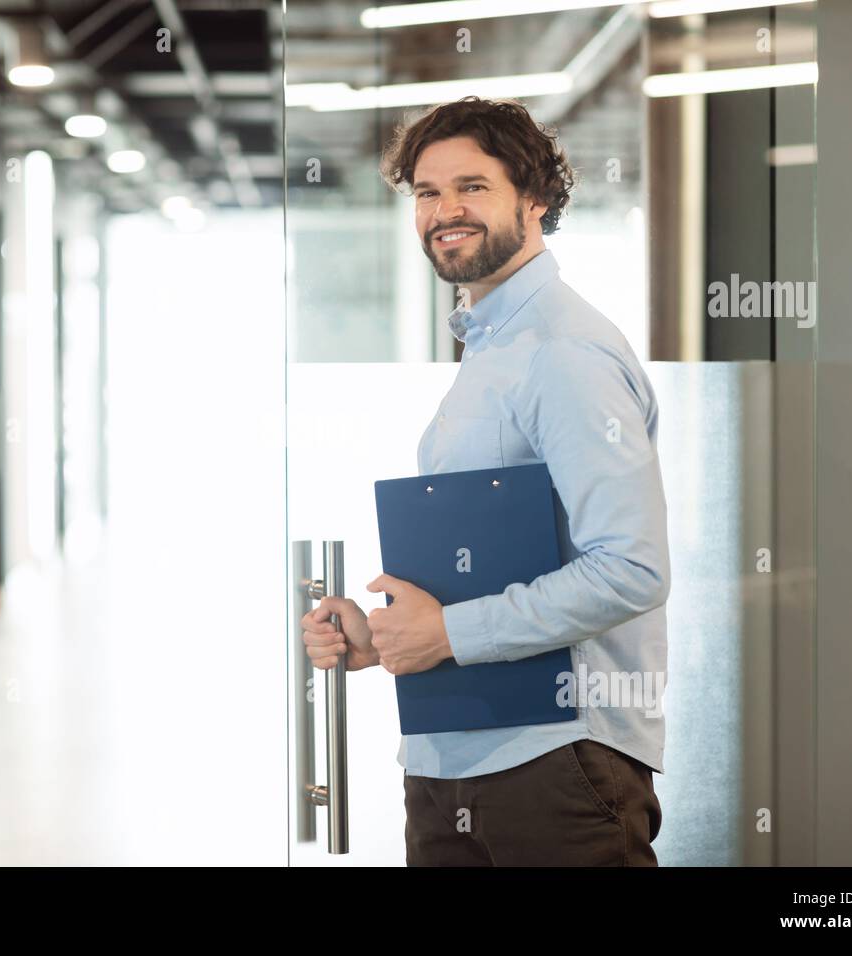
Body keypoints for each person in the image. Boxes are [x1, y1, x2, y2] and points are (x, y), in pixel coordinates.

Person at [300, 97, 670, 866]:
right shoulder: (492, 345)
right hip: (454, 755)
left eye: (472, 187)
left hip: (552, 767)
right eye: (428, 192)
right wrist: (391, 636)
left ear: (534, 199)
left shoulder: (562, 351)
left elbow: (632, 569)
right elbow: (498, 556)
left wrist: (448, 635)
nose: (445, 211)